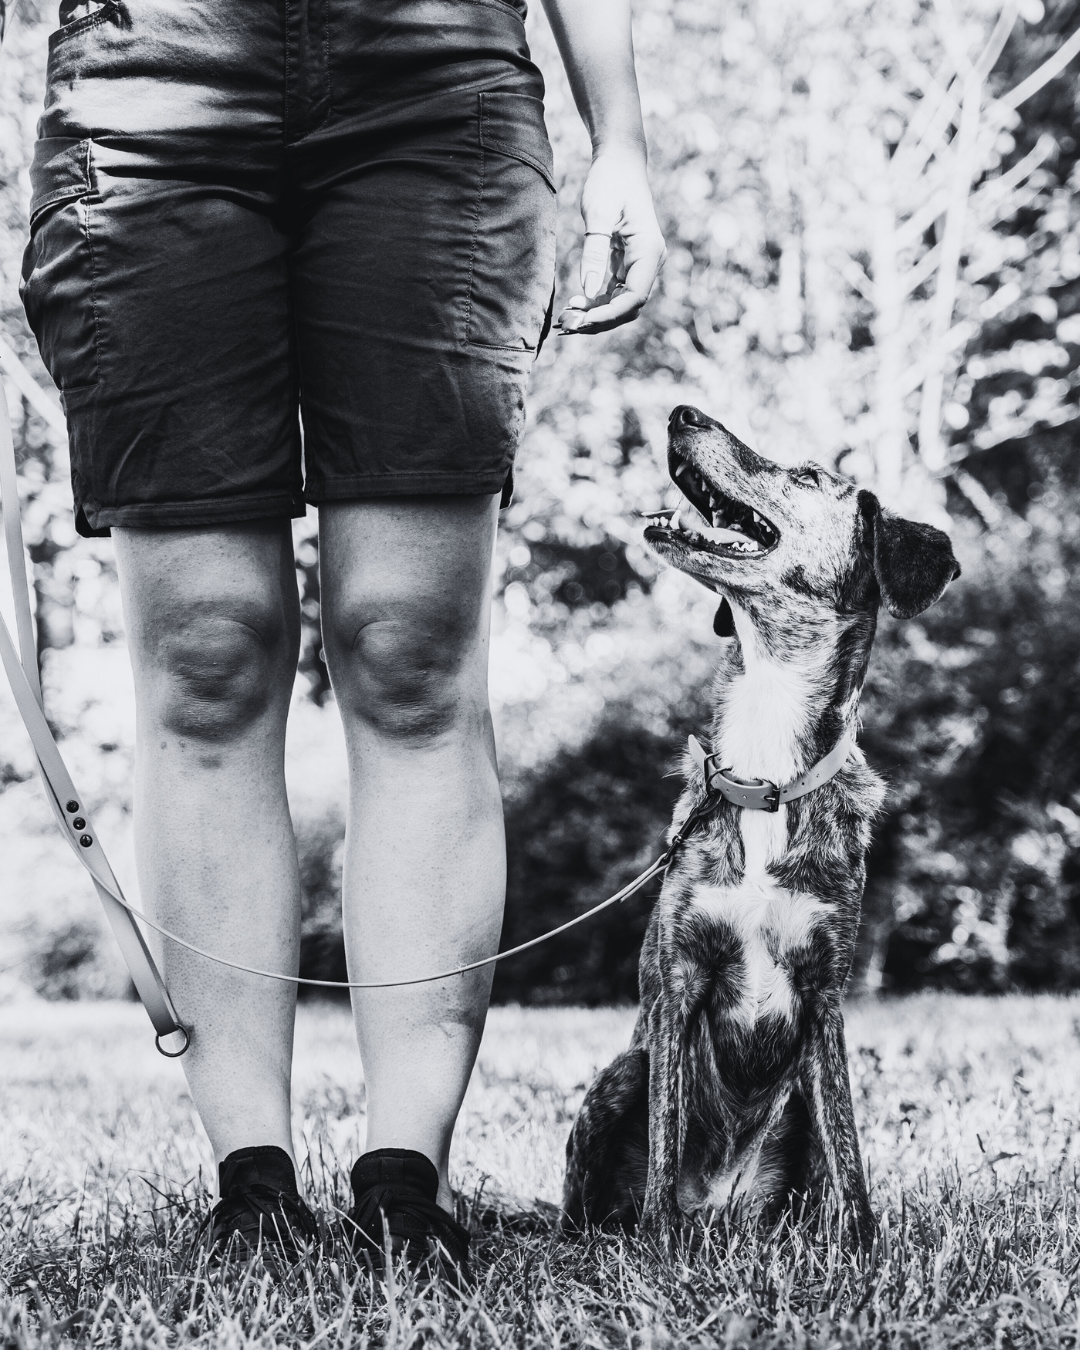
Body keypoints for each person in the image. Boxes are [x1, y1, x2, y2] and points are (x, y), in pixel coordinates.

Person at [20, 0, 664, 1274]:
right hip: (152, 83)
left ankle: (404, 1178)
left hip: (435, 89)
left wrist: (623, 137)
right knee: (208, 653)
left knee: (409, 647)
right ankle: (250, 1181)